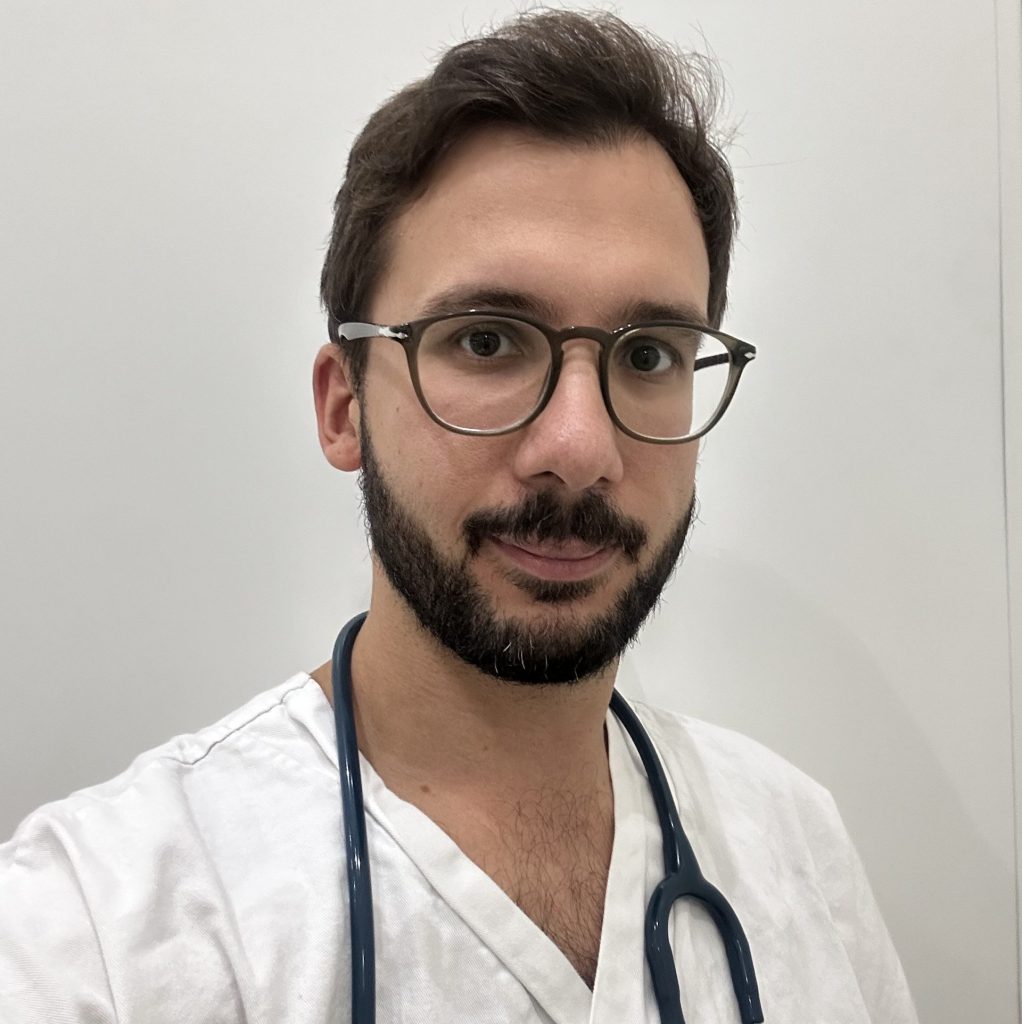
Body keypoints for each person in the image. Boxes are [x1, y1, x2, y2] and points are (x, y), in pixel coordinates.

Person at [1, 9, 919, 1023]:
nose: (580, 447)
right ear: (344, 406)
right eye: (487, 340)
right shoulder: (92, 932)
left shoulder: (795, 848)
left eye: (650, 353)